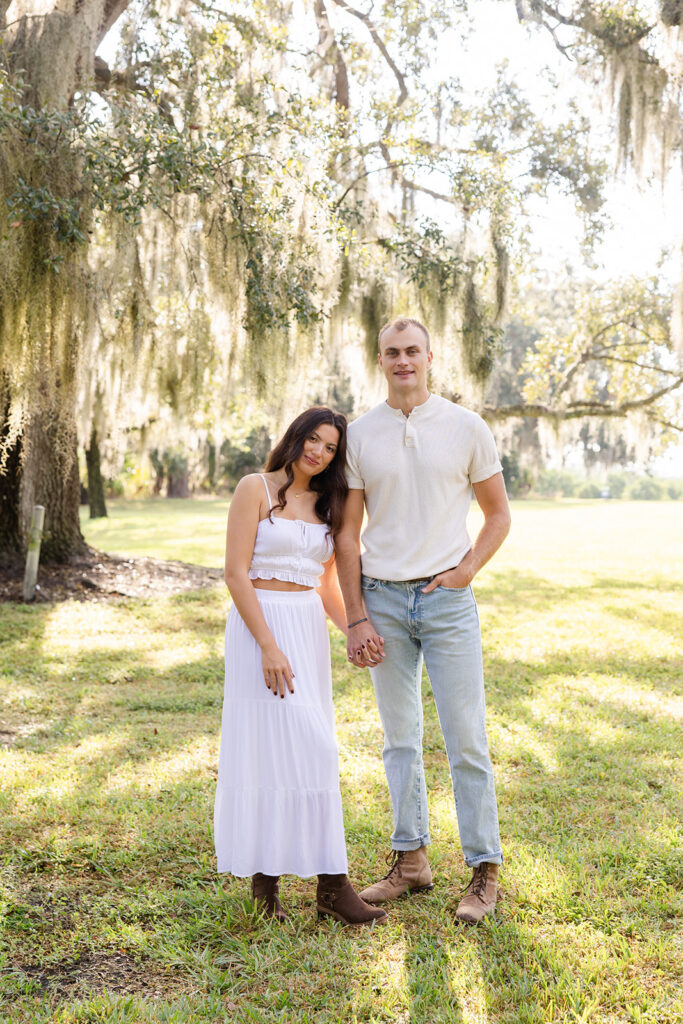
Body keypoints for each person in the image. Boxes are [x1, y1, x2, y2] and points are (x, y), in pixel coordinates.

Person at [335, 317, 511, 924]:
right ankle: (410, 861)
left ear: (430, 357)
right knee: (399, 739)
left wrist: (465, 571)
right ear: (379, 360)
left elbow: (497, 516)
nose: (403, 360)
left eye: (413, 351)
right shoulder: (359, 435)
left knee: (466, 739)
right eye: (392, 352)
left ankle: (484, 869)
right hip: (381, 599)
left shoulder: (466, 427)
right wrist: (356, 615)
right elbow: (348, 534)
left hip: (447, 601)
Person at [214, 407, 387, 928]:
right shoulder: (256, 489)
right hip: (259, 630)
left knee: (316, 749)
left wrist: (356, 629)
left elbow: (325, 583)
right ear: (295, 436)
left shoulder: (329, 504)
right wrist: (268, 646)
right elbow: (235, 574)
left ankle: (331, 888)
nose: (318, 451)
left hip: (305, 626)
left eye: (330, 447)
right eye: (313, 439)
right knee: (265, 751)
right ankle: (264, 890)